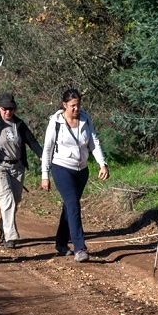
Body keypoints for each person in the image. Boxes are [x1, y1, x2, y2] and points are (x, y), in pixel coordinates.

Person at [40, 88, 109, 262]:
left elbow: (94, 142)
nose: (76, 109)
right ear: (64, 105)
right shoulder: (55, 122)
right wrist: (45, 175)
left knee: (69, 207)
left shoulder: (85, 119)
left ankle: (61, 243)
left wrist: (102, 163)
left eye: (78, 105)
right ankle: (80, 248)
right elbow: (47, 149)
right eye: (72, 106)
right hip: (61, 167)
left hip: (82, 170)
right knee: (73, 204)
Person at [0, 93, 43, 250]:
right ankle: (10, 236)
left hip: (17, 167)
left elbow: (31, 141)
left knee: (16, 200)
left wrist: (41, 155)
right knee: (7, 200)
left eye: (11, 109)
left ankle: (3, 224)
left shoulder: (19, 124)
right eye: (5, 109)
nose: (8, 112)